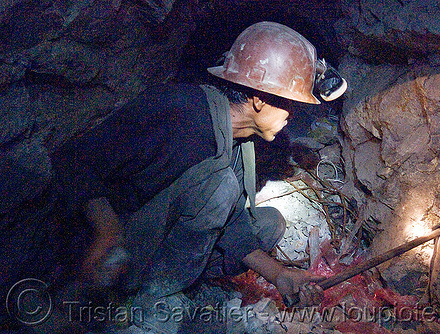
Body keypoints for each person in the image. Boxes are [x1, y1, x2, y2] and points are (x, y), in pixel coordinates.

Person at [51, 21, 347, 320]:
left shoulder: (237, 137)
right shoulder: (179, 113)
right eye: (289, 105)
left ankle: (179, 280)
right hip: (114, 246)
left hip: (160, 232)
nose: (292, 115)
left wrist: (280, 275)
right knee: (222, 187)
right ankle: (151, 297)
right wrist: (106, 230)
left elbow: (231, 219)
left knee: (269, 223)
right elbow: (75, 161)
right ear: (259, 98)